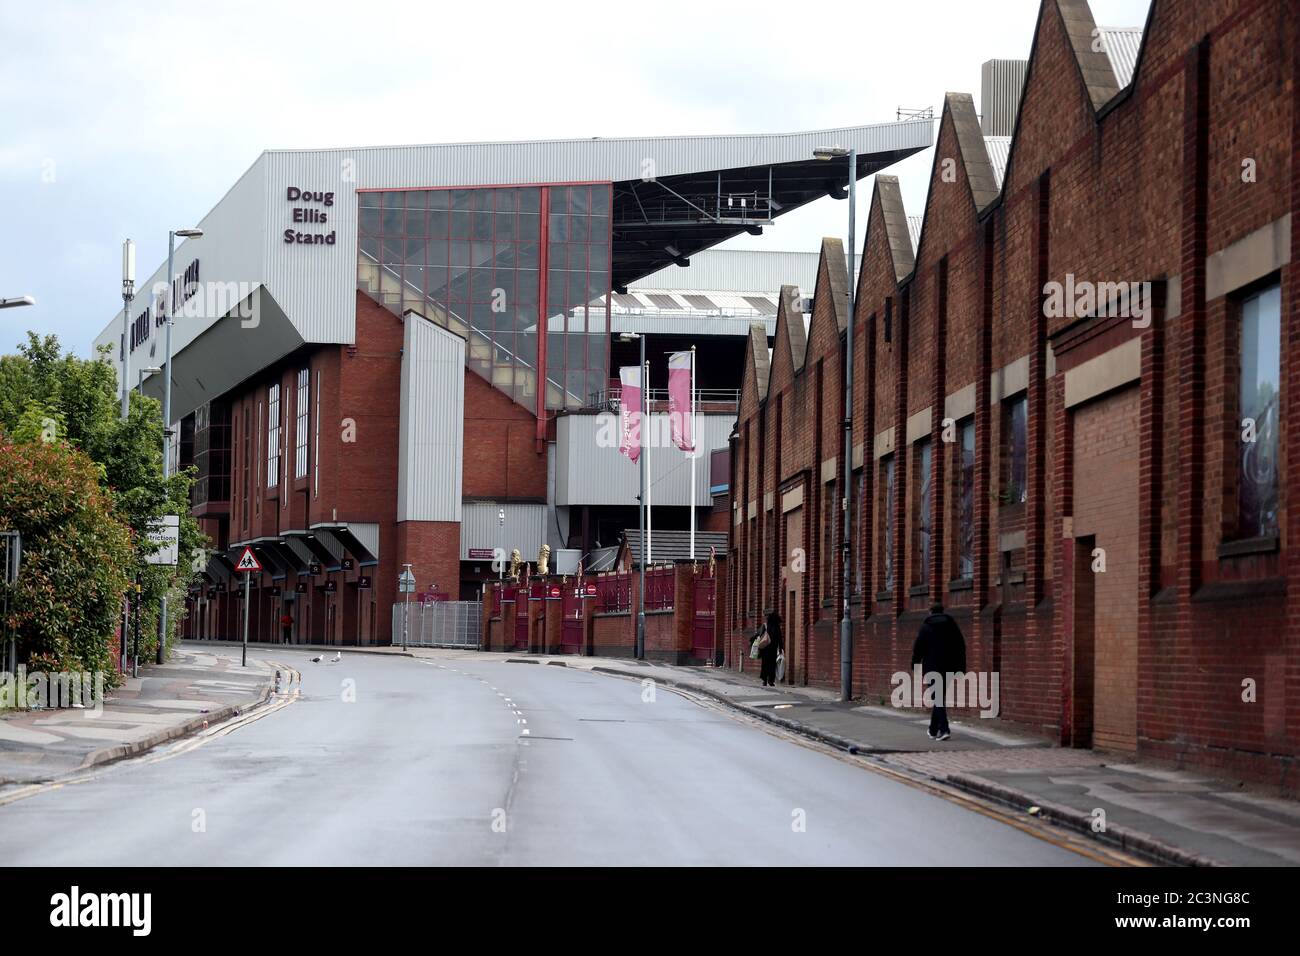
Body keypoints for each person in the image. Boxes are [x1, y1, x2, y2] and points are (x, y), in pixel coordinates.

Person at [911, 601, 967, 741]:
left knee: (937, 698)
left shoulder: (926, 627)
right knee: (939, 698)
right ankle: (933, 729)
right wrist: (961, 668)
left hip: (932, 668)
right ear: (942, 611)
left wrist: (914, 663)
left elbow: (918, 648)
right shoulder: (952, 626)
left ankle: (944, 729)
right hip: (949, 667)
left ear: (930, 612)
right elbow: (961, 646)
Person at [756, 609, 785, 687]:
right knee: (772, 665)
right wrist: (780, 648)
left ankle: (764, 680)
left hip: (765, 648)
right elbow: (779, 638)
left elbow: (760, 635)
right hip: (773, 649)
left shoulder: (765, 625)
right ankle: (771, 680)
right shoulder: (777, 627)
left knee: (765, 664)